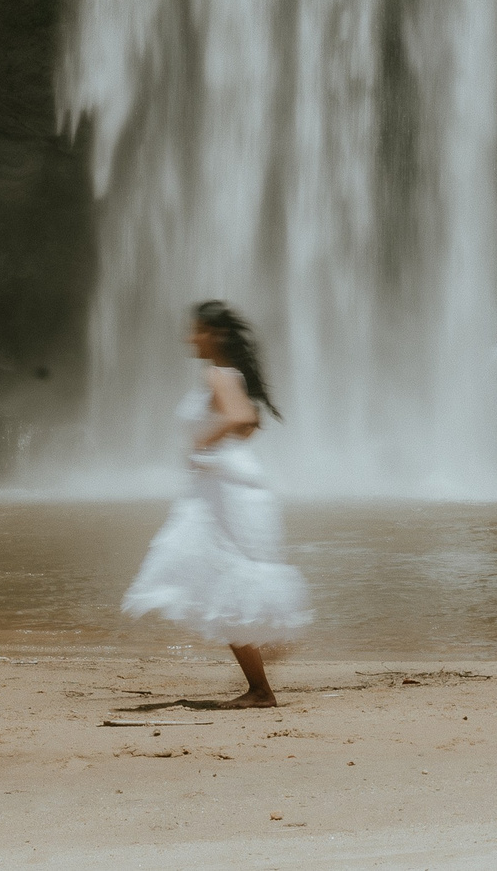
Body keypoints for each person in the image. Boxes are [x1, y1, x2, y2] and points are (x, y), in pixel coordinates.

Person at [121, 299, 314, 707]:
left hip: (223, 493)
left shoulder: (217, 375)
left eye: (196, 330)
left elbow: (241, 417)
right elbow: (252, 422)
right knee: (221, 580)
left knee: (220, 578)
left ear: (215, 334)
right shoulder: (228, 375)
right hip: (224, 487)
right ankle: (264, 669)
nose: (189, 338)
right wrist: (216, 448)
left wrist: (203, 443)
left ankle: (261, 687)